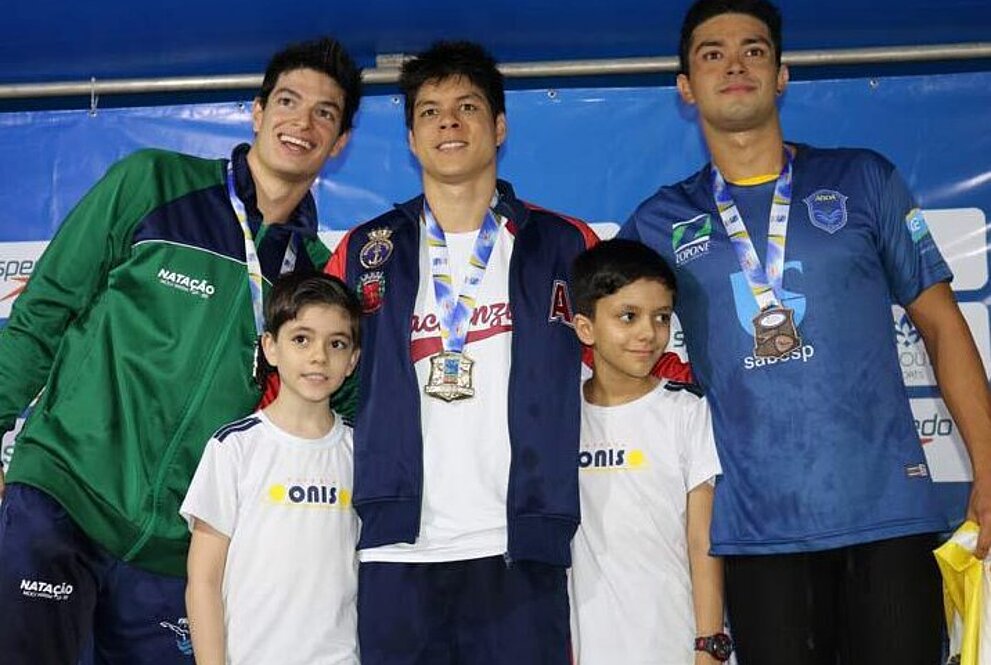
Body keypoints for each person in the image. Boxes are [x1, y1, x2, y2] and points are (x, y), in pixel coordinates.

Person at [620, 1, 991, 663]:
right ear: (684, 86)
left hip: (888, 516)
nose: (734, 64)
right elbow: (612, 357)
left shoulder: (861, 179)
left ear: (781, 74)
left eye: (753, 50)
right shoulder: (658, 221)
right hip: (757, 534)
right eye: (711, 53)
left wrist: (989, 464)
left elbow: (939, 324)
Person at [0, 37, 362, 665]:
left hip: (178, 547)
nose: (301, 122)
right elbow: (43, 312)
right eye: (287, 101)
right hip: (67, 497)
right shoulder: (152, 183)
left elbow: (339, 410)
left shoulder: (310, 277)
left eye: (324, 113)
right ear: (256, 112)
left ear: (341, 141)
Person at [325, 40, 597, 664]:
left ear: (498, 127)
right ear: (412, 140)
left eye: (467, 106)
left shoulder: (564, 243)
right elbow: (313, 377)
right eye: (429, 111)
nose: (448, 121)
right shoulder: (369, 250)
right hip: (397, 549)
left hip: (521, 541)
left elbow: (618, 373)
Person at [181, 272, 361, 665]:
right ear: (270, 347)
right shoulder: (234, 448)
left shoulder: (361, 449)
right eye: (302, 339)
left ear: (353, 360)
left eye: (336, 344)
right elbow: (204, 581)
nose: (319, 356)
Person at [568, 239, 726, 664]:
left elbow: (702, 539)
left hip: (676, 643)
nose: (648, 334)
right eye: (628, 316)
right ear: (585, 328)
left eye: (661, 318)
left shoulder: (686, 410)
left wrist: (709, 643)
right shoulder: (558, 417)